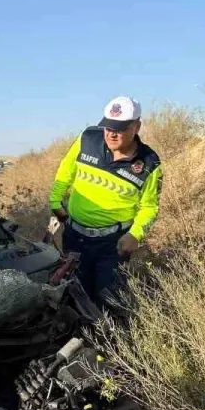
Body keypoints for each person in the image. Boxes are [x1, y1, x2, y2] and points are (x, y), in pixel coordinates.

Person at [48, 96, 163, 303]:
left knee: (107, 301)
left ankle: (101, 335)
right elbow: (66, 170)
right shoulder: (88, 139)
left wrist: (135, 235)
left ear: (137, 126)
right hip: (75, 238)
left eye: (119, 128)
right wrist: (55, 201)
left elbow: (149, 207)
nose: (111, 134)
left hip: (112, 246)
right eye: (108, 127)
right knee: (72, 295)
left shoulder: (149, 164)